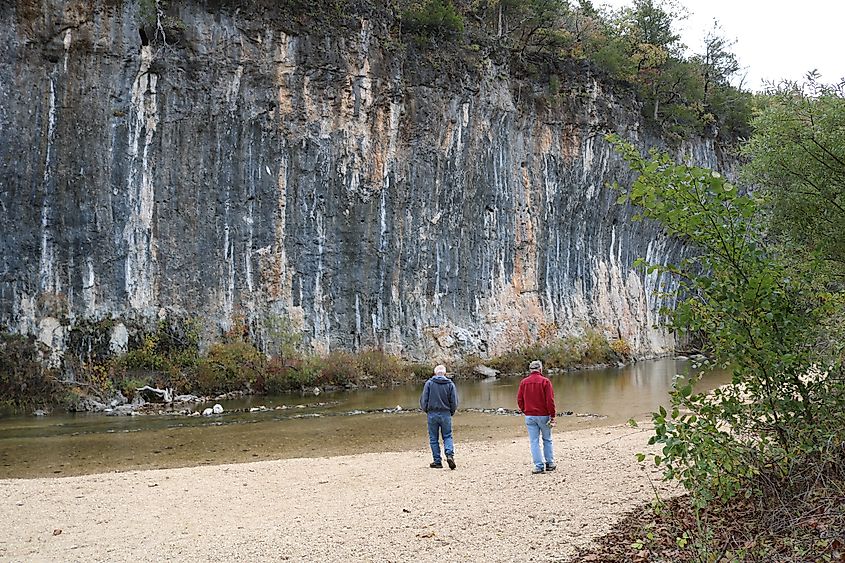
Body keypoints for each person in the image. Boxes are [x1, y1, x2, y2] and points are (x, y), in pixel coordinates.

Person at [517, 360, 557, 474]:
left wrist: (525, 410)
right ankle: (549, 463)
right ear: (540, 369)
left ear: (530, 370)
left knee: (534, 441)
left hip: (530, 416)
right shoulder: (545, 382)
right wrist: (552, 415)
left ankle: (538, 466)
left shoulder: (524, 382)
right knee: (547, 439)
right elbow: (550, 401)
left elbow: (520, 400)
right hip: (544, 415)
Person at [419, 364, 458, 469]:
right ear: (444, 373)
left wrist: (426, 410)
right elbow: (454, 401)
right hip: (446, 413)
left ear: (435, 373)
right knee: (447, 436)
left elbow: (424, 400)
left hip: (432, 413)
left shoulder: (429, 383)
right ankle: (449, 455)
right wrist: (451, 412)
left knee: (433, 438)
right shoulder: (450, 384)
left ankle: (437, 461)